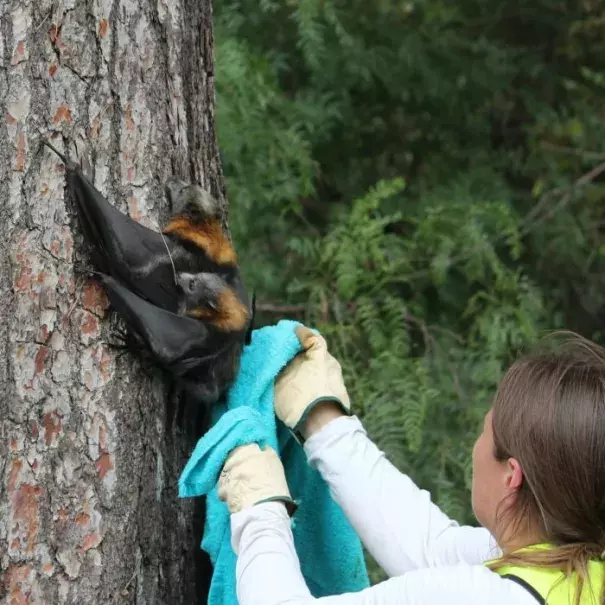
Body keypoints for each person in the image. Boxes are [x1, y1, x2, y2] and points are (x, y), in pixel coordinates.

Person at [217, 326, 605, 604]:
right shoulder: (574, 569)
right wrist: (324, 423)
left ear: (512, 475)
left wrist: (259, 510)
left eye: (484, 433)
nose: (476, 447)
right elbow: (430, 548)